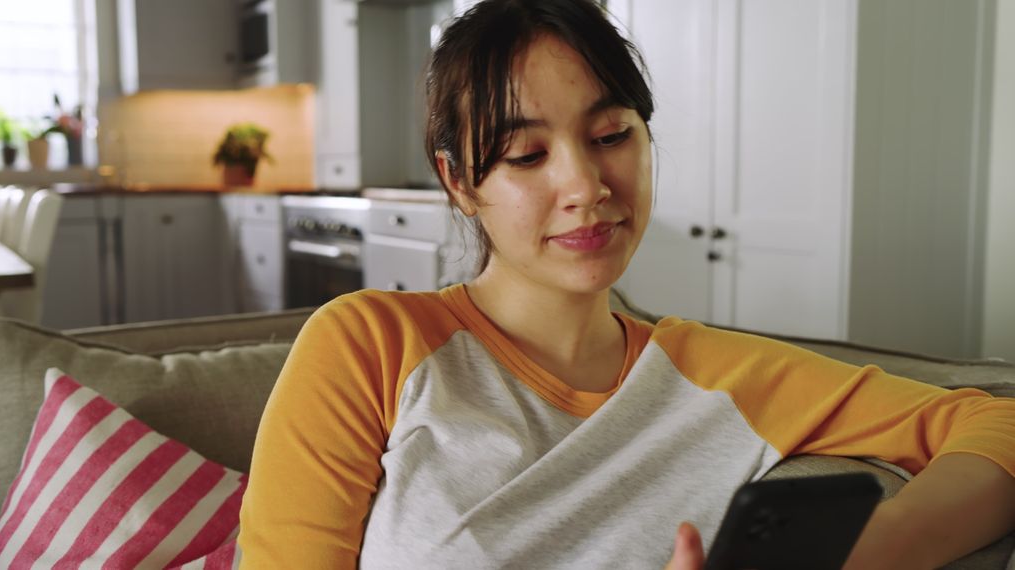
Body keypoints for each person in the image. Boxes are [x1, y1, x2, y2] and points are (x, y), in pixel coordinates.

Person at [238, 1, 1015, 568]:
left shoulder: (729, 378)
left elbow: (995, 426)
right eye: (526, 155)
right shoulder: (371, 345)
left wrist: (853, 557)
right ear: (459, 181)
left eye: (611, 136)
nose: (586, 184)